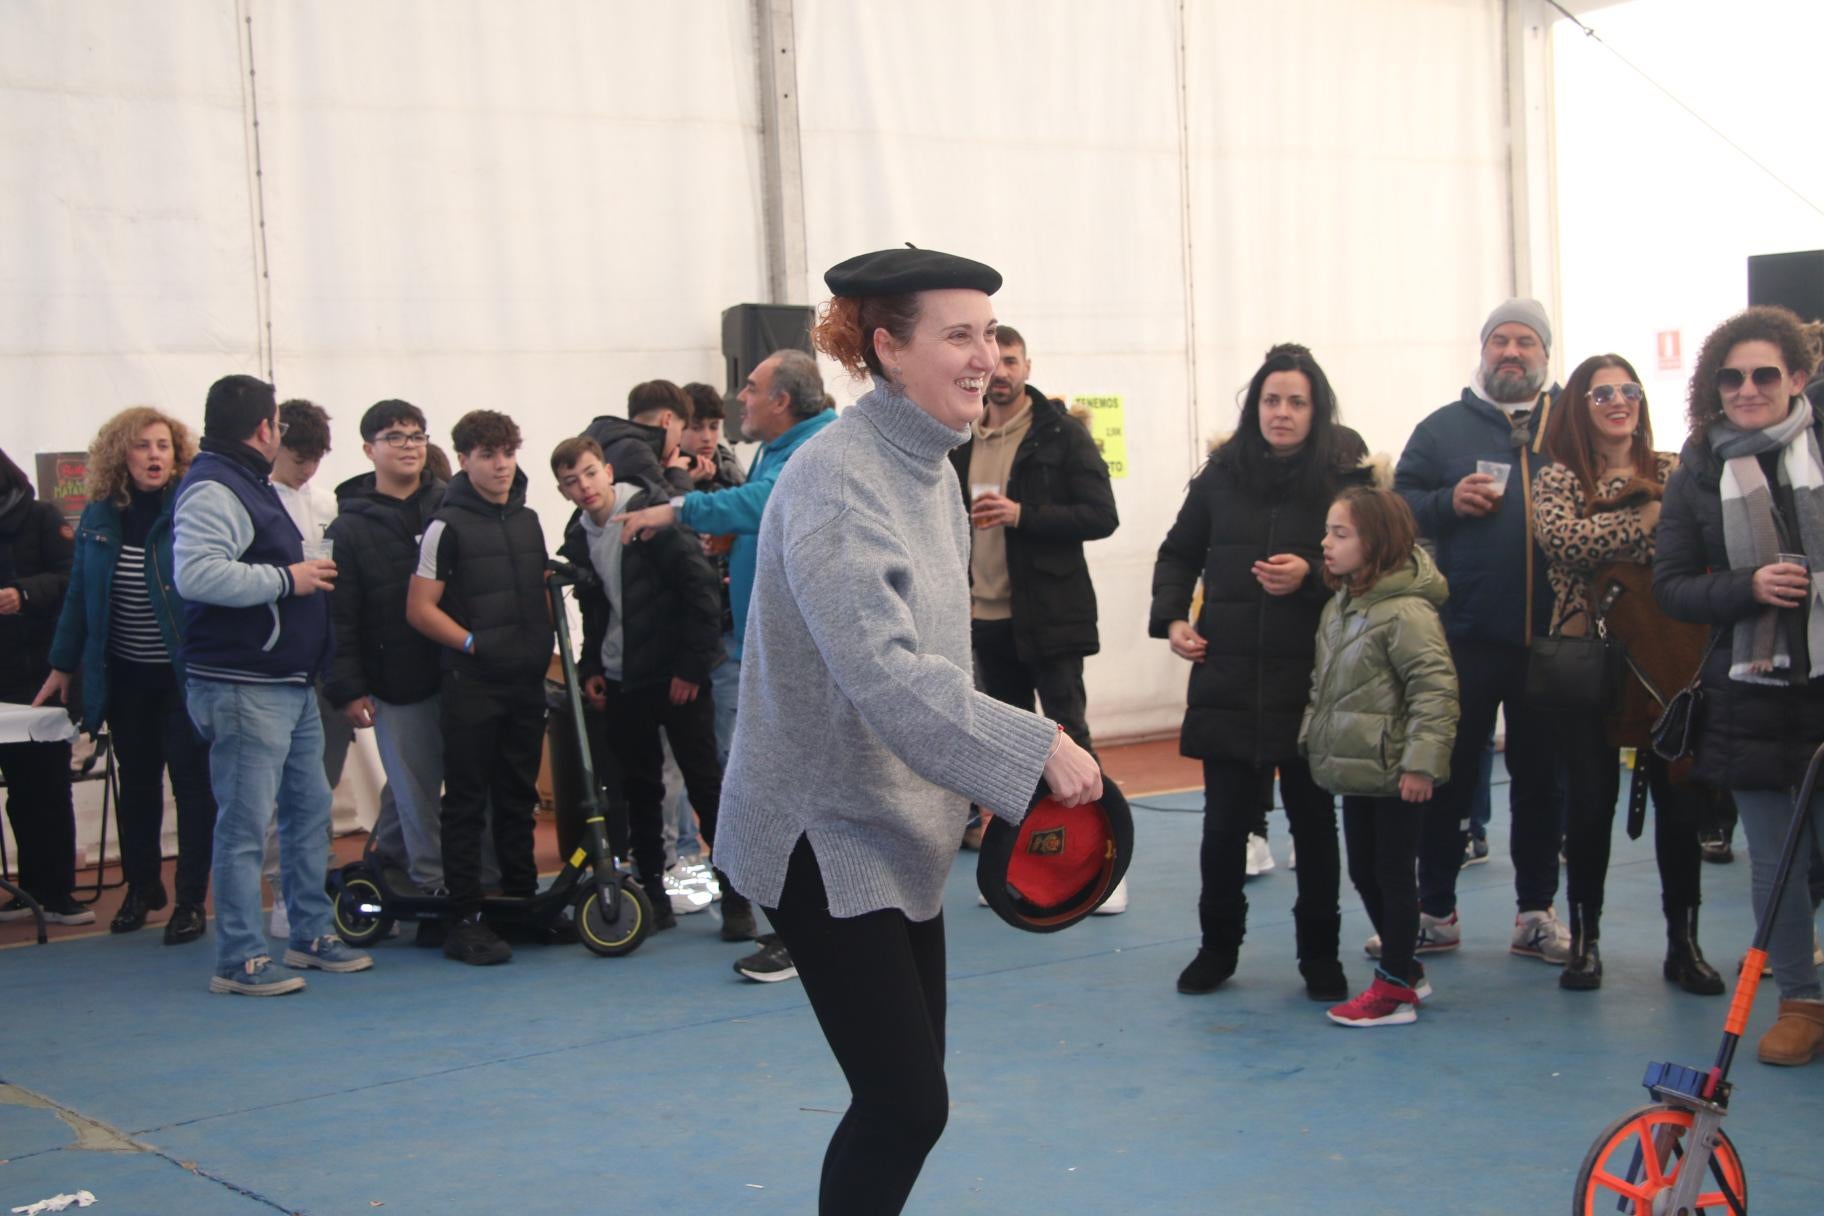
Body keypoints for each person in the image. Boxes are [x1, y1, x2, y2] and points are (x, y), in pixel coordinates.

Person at [709, 247, 1102, 1214]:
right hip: (820, 828)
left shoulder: (928, 468)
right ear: (886, 348)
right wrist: (1030, 744)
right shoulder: (839, 477)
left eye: (992, 336)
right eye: (958, 336)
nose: (987, 357)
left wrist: (971, 773)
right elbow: (884, 672)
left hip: (896, 822)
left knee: (907, 1101)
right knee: (902, 1102)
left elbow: (938, 650)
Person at [1150, 343, 1369, 1000]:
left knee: (1313, 826)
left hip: (1311, 684)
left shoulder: (1346, 483)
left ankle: (1320, 958)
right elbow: (1177, 552)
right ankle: (1217, 949)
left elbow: (1376, 568)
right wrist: (1173, 620)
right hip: (1228, 680)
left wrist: (1314, 574)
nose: (1282, 412)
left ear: (1316, 409)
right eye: (1271, 400)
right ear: (1256, 407)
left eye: (1296, 401)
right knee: (1222, 829)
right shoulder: (1219, 476)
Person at [616, 347, 837, 983]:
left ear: (782, 401)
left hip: (796, 659)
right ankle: (802, 929)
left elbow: (765, 501)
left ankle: (809, 933)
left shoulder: (810, 449)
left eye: (750, 388)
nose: (738, 398)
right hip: (766, 651)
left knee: (786, 795)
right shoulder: (783, 445)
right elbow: (770, 512)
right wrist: (740, 537)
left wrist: (676, 509)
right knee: (776, 792)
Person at [1653, 306, 1824, 1066]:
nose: (1747, 388)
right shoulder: (1697, 467)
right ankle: (1800, 1000)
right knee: (1775, 857)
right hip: (1751, 690)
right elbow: (1674, 586)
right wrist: (1750, 585)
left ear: (1797, 376)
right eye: (1732, 377)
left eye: (1763, 374)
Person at [174, 375, 371, 995]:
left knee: (309, 811)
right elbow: (197, 576)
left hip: (287, 679)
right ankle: (239, 957)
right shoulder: (214, 487)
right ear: (264, 429)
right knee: (244, 822)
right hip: (243, 683)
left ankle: (308, 933)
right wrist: (290, 578)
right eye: (278, 422)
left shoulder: (244, 483)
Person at [1534, 353, 1723, 994]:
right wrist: (1640, 520)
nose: (1619, 401)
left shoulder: (1675, 468)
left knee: (1680, 802)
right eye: (1602, 392)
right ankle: (1585, 943)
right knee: (1588, 805)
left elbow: (1693, 543)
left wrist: (1630, 526)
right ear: (1579, 407)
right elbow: (1561, 541)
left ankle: (1683, 942)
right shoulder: (1557, 477)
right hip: (1591, 663)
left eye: (1629, 390)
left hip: (1671, 662)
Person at [1392, 298, 1571, 964]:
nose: (1511, 352)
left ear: (1546, 355)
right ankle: (1434, 911)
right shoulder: (1441, 430)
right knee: (1445, 776)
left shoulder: (1570, 425)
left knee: (1541, 781)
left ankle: (1536, 914)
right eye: (1500, 340)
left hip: (1553, 641)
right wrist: (1446, 504)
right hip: (1461, 638)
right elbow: (1398, 505)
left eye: (1525, 341)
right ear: (1483, 351)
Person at [551, 437, 752, 938]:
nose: (584, 487)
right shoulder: (579, 535)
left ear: (608, 471)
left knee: (706, 787)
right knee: (638, 792)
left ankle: (738, 899)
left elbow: (701, 590)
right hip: (623, 680)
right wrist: (591, 665)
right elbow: (594, 608)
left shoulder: (649, 517)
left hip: (677, 678)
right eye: (572, 481)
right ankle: (652, 898)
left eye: (590, 473)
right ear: (562, 489)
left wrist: (690, 669)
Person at [952, 325, 1123, 904]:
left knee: (1069, 737)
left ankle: (1104, 865)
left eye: (1010, 360)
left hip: (1050, 615)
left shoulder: (1062, 434)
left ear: (1027, 366)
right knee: (1009, 748)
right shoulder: (960, 436)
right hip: (984, 618)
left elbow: (1102, 515)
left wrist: (1024, 514)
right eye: (991, 361)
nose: (998, 371)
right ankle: (1019, 867)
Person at [35, 408, 216, 942]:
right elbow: (78, 597)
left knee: (192, 789)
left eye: (163, 445)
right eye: (142, 446)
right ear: (121, 455)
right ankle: (142, 887)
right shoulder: (97, 515)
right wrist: (63, 664)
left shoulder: (190, 509)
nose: (155, 455)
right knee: (135, 787)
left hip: (183, 680)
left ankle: (188, 900)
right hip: (125, 678)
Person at [1303, 486, 1457, 1026]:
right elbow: (1326, 685)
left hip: (1397, 773)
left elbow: (1434, 689)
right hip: (1358, 768)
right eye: (1328, 531)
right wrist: (1313, 736)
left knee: (1392, 874)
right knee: (1366, 871)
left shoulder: (1407, 613)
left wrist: (1421, 763)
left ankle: (1393, 989)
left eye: (1340, 534)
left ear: (1376, 542)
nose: (1325, 543)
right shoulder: (1339, 607)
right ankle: (1406, 967)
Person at [407, 409, 552, 966]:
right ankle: (464, 917)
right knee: (466, 800)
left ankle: (521, 901)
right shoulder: (445, 527)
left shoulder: (529, 519)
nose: (500, 465)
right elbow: (419, 609)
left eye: (507, 453)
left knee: (519, 795)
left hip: (523, 683)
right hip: (472, 685)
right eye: (487, 455)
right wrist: (472, 646)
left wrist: (541, 652)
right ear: (464, 460)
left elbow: (538, 593)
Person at [322, 400, 449, 943]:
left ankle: (379, 865)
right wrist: (349, 689)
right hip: (395, 681)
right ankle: (431, 888)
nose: (409, 445)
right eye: (395, 437)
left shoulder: (450, 506)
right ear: (368, 448)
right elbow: (339, 617)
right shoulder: (347, 528)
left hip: (458, 672)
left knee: (408, 791)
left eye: (417, 435)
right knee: (415, 791)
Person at [264, 398, 347, 938]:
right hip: (273, 664)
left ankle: (309, 890)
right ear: (273, 444)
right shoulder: (254, 500)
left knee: (320, 788)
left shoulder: (327, 503)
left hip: (324, 662)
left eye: (316, 458)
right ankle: (281, 893)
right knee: (277, 793)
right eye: (299, 457)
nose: (308, 468)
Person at [0, 446, 85, 926]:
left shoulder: (40, 517)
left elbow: (73, 577)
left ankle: (58, 892)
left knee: (46, 787)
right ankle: (29, 889)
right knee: (19, 792)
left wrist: (25, 592)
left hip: (39, 675)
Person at [583, 381, 695, 500]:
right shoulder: (636, 451)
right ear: (666, 419)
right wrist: (678, 472)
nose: (679, 441)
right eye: (682, 429)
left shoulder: (610, 441)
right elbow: (676, 509)